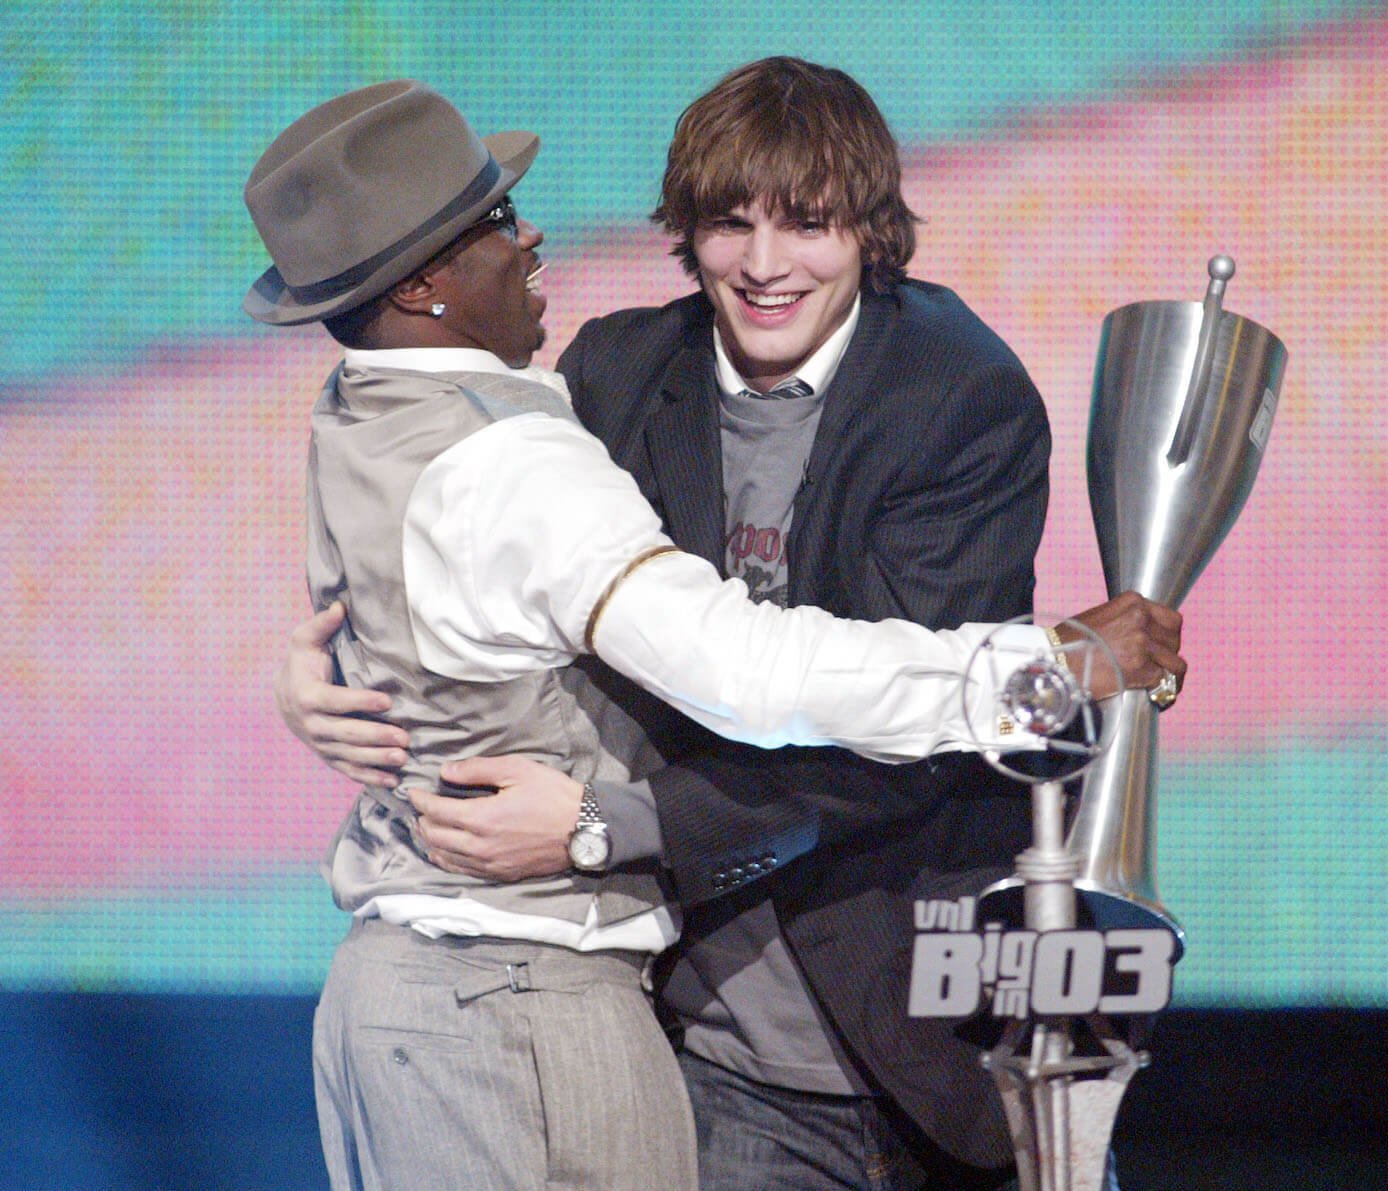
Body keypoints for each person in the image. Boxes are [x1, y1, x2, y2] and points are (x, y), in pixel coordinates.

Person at [248, 78, 1178, 1191]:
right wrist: (325, 685)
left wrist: (610, 826)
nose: (766, 262)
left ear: (872, 231)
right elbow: (513, 586)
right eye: (733, 221)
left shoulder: (957, 395)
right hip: (710, 1048)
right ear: (686, 231)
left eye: (809, 222)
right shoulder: (607, 380)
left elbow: (882, 744)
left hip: (921, 1021)